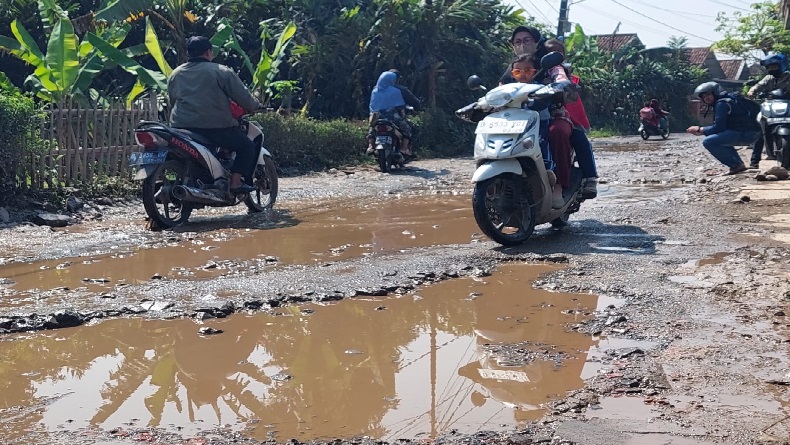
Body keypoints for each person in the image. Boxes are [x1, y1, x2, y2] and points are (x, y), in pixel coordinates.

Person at [168, 36, 262, 195]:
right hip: (215, 127)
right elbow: (243, 97)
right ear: (208, 52)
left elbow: (172, 99)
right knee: (247, 146)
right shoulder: (221, 71)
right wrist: (255, 106)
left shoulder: (176, 73)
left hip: (180, 127)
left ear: (189, 53)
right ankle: (235, 182)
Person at [544, 38, 598, 200]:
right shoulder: (529, 68)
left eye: (557, 54)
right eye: (548, 53)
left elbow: (564, 84)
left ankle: (589, 178)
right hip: (531, 118)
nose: (552, 56)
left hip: (560, 116)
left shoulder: (560, 72)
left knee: (578, 138)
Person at [687, 81, 760, 175]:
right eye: (704, 97)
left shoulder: (721, 104)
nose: (706, 98)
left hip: (745, 134)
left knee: (709, 141)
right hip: (752, 133)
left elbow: (719, 127)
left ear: (715, 93)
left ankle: (735, 165)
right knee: (720, 139)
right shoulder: (727, 101)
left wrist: (699, 129)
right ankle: (739, 165)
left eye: (708, 94)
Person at [746, 53, 790, 168]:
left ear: (782, 65)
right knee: (759, 129)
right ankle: (754, 162)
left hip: (788, 104)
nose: (771, 69)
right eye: (769, 67)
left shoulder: (789, 77)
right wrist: (752, 91)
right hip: (770, 106)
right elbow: (758, 85)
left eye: (774, 66)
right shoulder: (768, 78)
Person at [366, 70, 421, 156]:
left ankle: (370, 146)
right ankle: (404, 148)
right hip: (393, 117)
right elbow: (415, 102)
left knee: (372, 129)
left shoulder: (375, 90)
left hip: (376, 117)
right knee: (407, 129)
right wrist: (417, 109)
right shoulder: (400, 90)